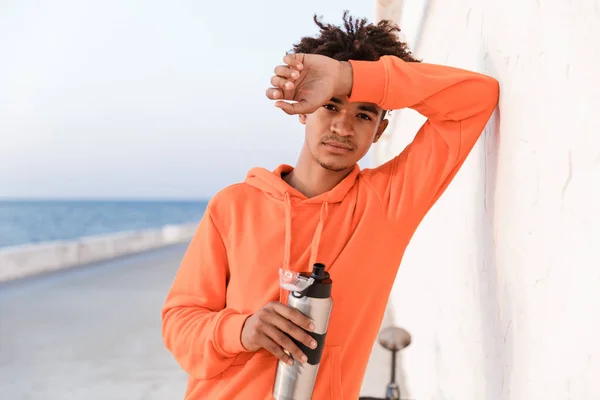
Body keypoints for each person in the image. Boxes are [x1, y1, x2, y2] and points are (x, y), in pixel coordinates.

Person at [161, 11, 499, 400]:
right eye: (331, 106)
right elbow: (179, 322)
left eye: (364, 114)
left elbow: (476, 98)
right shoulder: (234, 206)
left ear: (380, 131)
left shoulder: (388, 203)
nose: (342, 127)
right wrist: (241, 329)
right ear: (304, 110)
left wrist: (345, 77)